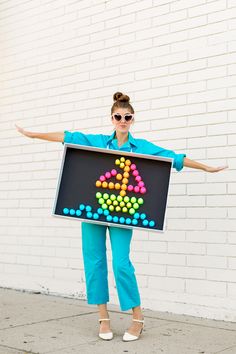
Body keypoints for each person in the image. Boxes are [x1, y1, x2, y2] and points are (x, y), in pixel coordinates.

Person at [15, 91, 228, 342]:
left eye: (127, 117)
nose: (122, 120)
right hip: (93, 212)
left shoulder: (142, 147)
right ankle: (103, 318)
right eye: (118, 116)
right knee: (93, 262)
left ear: (133, 119)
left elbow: (173, 158)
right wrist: (33, 135)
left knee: (121, 263)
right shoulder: (97, 142)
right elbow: (67, 137)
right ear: (112, 118)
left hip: (123, 215)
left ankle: (137, 318)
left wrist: (206, 167)